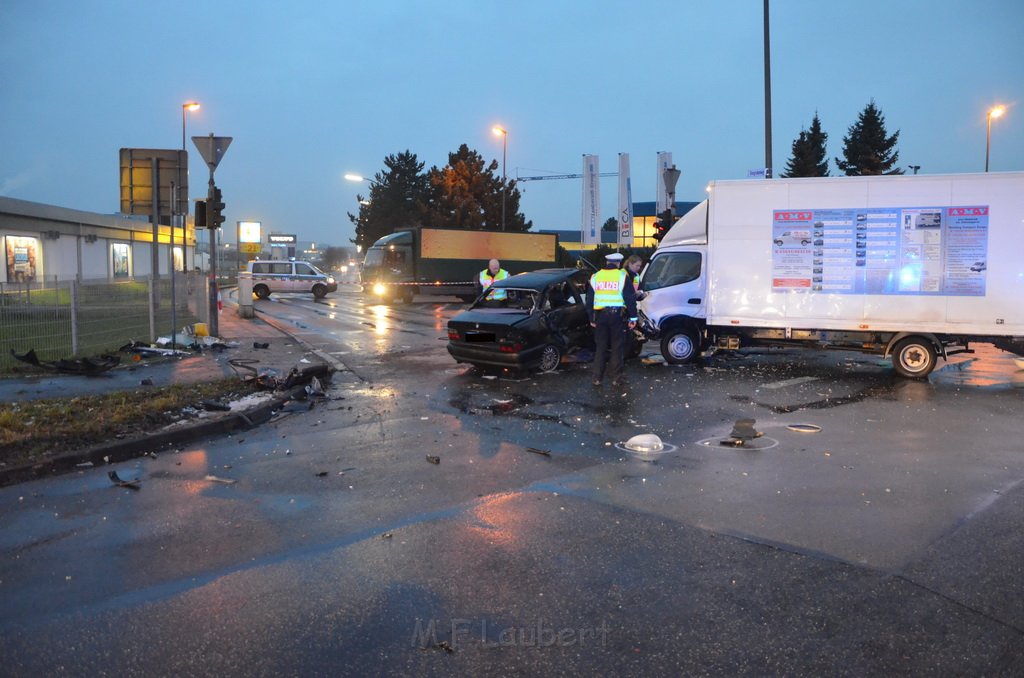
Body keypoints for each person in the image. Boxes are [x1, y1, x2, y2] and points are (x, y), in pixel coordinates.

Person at [586, 251, 637, 387]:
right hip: (616, 316)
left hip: (600, 316)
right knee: (617, 346)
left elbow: (589, 299)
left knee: (601, 346)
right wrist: (633, 317)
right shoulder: (622, 276)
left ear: (607, 262)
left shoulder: (595, 276)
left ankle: (597, 378)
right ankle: (616, 378)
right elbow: (630, 298)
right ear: (619, 263)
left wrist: (591, 317)